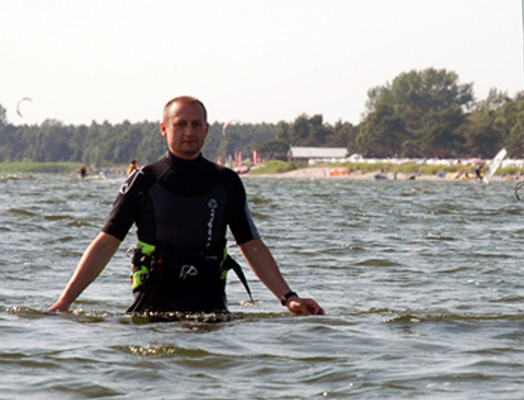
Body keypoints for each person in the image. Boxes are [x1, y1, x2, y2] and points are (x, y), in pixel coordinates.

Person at [48, 96, 323, 320]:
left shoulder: (226, 182)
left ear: (206, 130)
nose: (189, 132)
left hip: (211, 310)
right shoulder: (143, 180)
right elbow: (106, 242)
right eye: (180, 124)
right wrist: (65, 301)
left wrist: (290, 299)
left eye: (195, 124)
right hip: (152, 312)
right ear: (164, 129)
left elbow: (251, 245)